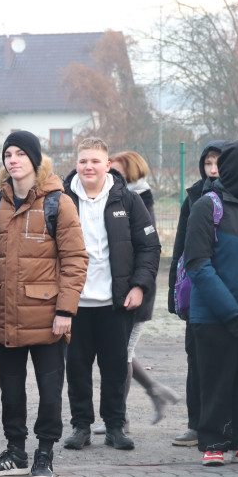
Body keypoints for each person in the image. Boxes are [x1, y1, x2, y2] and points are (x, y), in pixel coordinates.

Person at [0, 132, 87, 477]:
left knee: (50, 390)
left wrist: (66, 311)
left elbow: (75, 260)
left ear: (35, 160)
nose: (13, 159)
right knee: (11, 389)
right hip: (6, 315)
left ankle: (45, 454)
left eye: (21, 153)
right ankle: (16, 452)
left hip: (48, 316)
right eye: (8, 153)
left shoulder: (58, 202)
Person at [62, 137, 161, 452]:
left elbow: (150, 246)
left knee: (116, 369)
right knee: (77, 369)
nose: (88, 166)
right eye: (83, 161)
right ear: (77, 164)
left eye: (95, 161)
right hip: (74, 304)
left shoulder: (127, 200)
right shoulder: (61, 200)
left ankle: (116, 427)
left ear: (107, 165)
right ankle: (81, 426)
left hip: (115, 303)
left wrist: (138, 286)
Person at [184, 140, 238, 467]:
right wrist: (229, 311)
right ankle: (214, 441)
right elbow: (198, 264)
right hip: (215, 319)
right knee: (217, 382)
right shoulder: (207, 207)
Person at [94, 151, 179, 432]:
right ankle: (153, 390)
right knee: (121, 351)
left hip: (135, 290)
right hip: (119, 288)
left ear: (129, 174)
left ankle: (120, 420)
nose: (109, 176)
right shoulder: (115, 198)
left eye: (115, 171)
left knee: (123, 354)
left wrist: (135, 286)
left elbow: (144, 249)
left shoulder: (138, 200)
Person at [168, 141, 224, 446]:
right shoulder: (192, 199)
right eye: (208, 164)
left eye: (218, 163)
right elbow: (180, 249)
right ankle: (196, 423)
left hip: (230, 289)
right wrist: (173, 295)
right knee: (196, 359)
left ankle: (227, 425)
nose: (213, 170)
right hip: (197, 291)